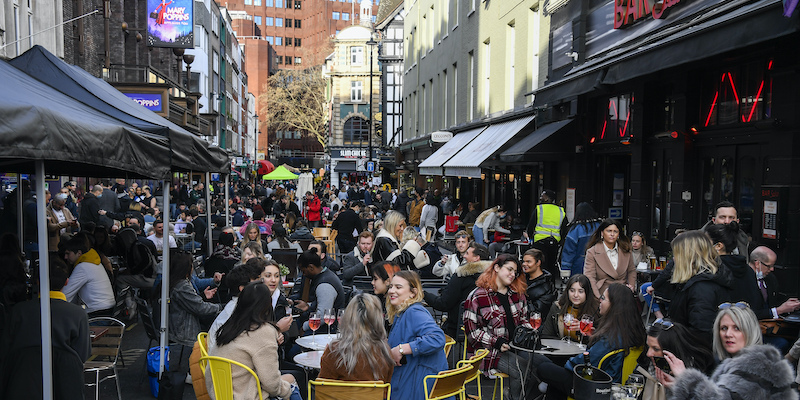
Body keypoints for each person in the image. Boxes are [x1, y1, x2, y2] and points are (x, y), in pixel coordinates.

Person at [536, 284, 646, 399]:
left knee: (544, 368)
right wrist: (595, 336)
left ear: (614, 305)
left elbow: (583, 363)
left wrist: (567, 364)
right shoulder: (632, 332)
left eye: (603, 298)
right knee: (556, 382)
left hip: (595, 386)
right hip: (615, 384)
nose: (600, 300)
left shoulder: (611, 338)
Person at [1, 258, 90, 400]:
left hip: (21, 383)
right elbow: (83, 354)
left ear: (37, 281)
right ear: (66, 281)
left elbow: (5, 350)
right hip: (66, 385)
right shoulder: (78, 314)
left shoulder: (18, 311)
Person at [667, 303, 797, 400]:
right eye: (724, 328)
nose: (728, 334)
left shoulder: (758, 367)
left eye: (737, 328)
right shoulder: (737, 363)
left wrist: (686, 377)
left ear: (749, 331)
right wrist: (679, 385)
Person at [209, 282, 302, 400]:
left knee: (288, 379)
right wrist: (287, 390)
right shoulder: (263, 331)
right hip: (246, 394)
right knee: (291, 385)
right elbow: (271, 384)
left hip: (222, 394)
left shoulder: (228, 328)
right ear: (267, 306)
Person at [463, 254, 535, 400]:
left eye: (515, 272)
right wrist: (496, 342)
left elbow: (524, 320)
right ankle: (512, 397)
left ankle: (512, 395)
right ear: (496, 267)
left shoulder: (517, 295)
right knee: (524, 371)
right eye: (509, 269)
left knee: (540, 367)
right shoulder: (477, 296)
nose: (513, 274)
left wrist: (529, 333)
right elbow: (472, 333)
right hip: (488, 352)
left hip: (516, 348)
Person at [161, 250, 223, 399]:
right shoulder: (182, 285)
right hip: (184, 334)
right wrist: (222, 307)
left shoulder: (175, 281)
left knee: (177, 375)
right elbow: (200, 308)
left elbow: (191, 303)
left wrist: (202, 297)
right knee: (178, 374)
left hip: (179, 330)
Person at [386, 270, 448, 400]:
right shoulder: (402, 311)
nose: (391, 291)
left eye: (398, 287)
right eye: (391, 286)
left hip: (417, 386)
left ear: (413, 293)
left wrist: (402, 349)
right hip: (410, 379)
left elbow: (437, 338)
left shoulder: (414, 311)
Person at [668, 230, 733, 345]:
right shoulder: (697, 282)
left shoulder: (702, 288)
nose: (674, 259)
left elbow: (701, 333)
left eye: (676, 254)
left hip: (697, 354)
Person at [319, 293, 395, 382]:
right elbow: (386, 389)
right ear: (377, 319)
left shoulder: (334, 351)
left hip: (340, 396)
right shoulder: (385, 352)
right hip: (372, 396)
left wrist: (325, 357)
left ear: (348, 317)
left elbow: (322, 388)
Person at [425, 242, 490, 338]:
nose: (464, 256)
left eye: (467, 254)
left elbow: (443, 304)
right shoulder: (493, 277)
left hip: (457, 328)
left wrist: (423, 294)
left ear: (477, 258)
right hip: (484, 329)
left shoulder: (461, 275)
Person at [637, 319, 714, 395]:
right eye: (648, 347)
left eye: (656, 349)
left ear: (671, 350)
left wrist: (682, 379)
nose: (649, 353)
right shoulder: (645, 363)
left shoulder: (699, 370)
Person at [292, 248, 345, 332]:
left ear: (311, 267)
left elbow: (323, 317)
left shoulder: (324, 285)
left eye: (303, 271)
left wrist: (304, 327)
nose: (303, 274)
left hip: (327, 329)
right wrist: (308, 306)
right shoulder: (325, 275)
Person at [61, 236, 116, 317]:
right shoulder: (93, 262)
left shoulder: (83, 267)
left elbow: (66, 295)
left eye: (68, 253)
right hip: (106, 310)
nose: (65, 257)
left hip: (96, 313)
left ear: (79, 253)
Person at [583, 218, 636, 299]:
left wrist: (631, 288)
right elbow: (590, 277)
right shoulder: (592, 252)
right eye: (609, 231)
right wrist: (597, 297)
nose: (612, 234)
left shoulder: (626, 250)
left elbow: (632, 270)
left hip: (622, 293)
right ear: (602, 233)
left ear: (618, 234)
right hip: (602, 293)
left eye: (615, 231)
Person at [541, 274, 600, 342]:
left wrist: (584, 332)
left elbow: (599, 341)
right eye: (572, 290)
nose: (575, 295)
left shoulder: (596, 310)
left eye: (580, 291)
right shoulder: (557, 307)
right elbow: (546, 335)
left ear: (587, 293)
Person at [525, 190, 568, 277]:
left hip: (539, 242)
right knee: (551, 266)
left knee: (538, 266)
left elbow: (531, 226)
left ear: (547, 198)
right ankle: (550, 285)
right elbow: (565, 228)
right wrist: (560, 241)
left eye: (542, 196)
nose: (540, 197)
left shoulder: (539, 209)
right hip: (554, 242)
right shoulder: (560, 211)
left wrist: (531, 238)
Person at [559, 202, 602, 276]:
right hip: (599, 263)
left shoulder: (575, 230)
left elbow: (569, 252)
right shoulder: (600, 227)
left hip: (580, 266)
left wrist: (565, 269)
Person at [522, 248, 557, 321]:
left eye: (528, 262)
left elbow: (538, 312)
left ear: (538, 263)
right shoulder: (521, 279)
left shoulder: (548, 286)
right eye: (524, 261)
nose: (524, 264)